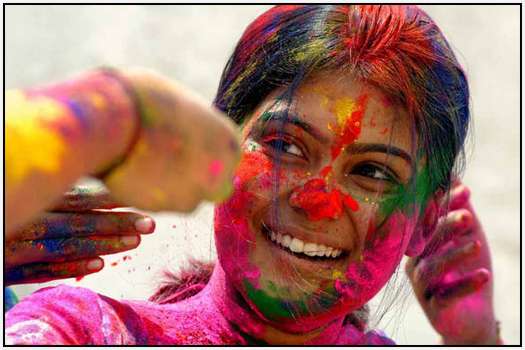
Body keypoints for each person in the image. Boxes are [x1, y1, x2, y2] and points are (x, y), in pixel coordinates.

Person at [5, 5, 502, 345]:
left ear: (424, 219)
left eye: (372, 172)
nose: (317, 200)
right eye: (285, 145)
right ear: (218, 145)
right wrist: (73, 130)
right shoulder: (84, 332)